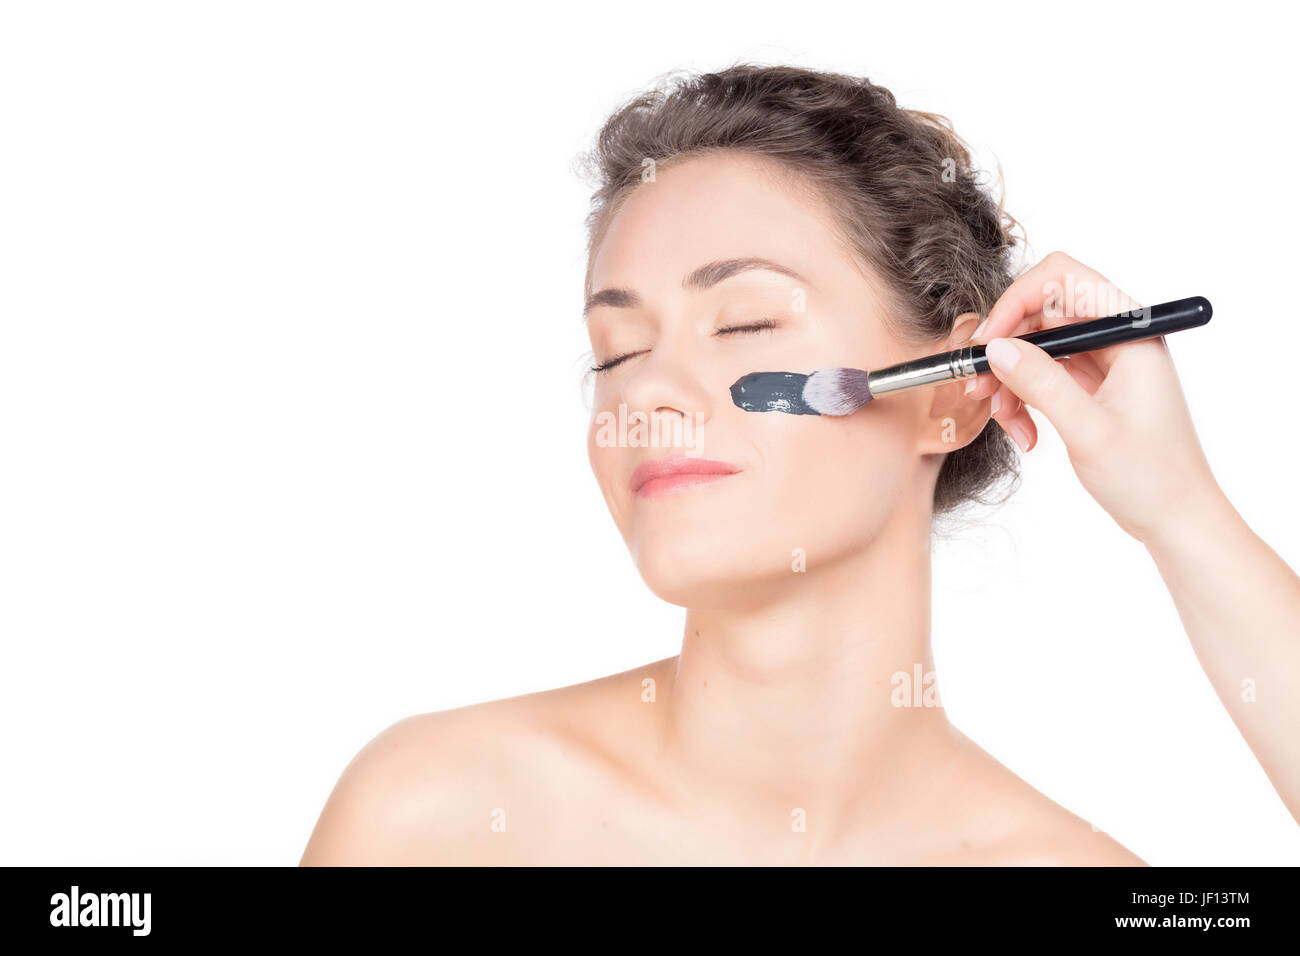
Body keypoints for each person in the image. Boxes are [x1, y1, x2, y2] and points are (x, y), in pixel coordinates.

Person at [301, 64, 1300, 865]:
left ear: (950, 390)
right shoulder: (436, 814)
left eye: (743, 321)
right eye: (616, 350)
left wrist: (1181, 509)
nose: (643, 394)